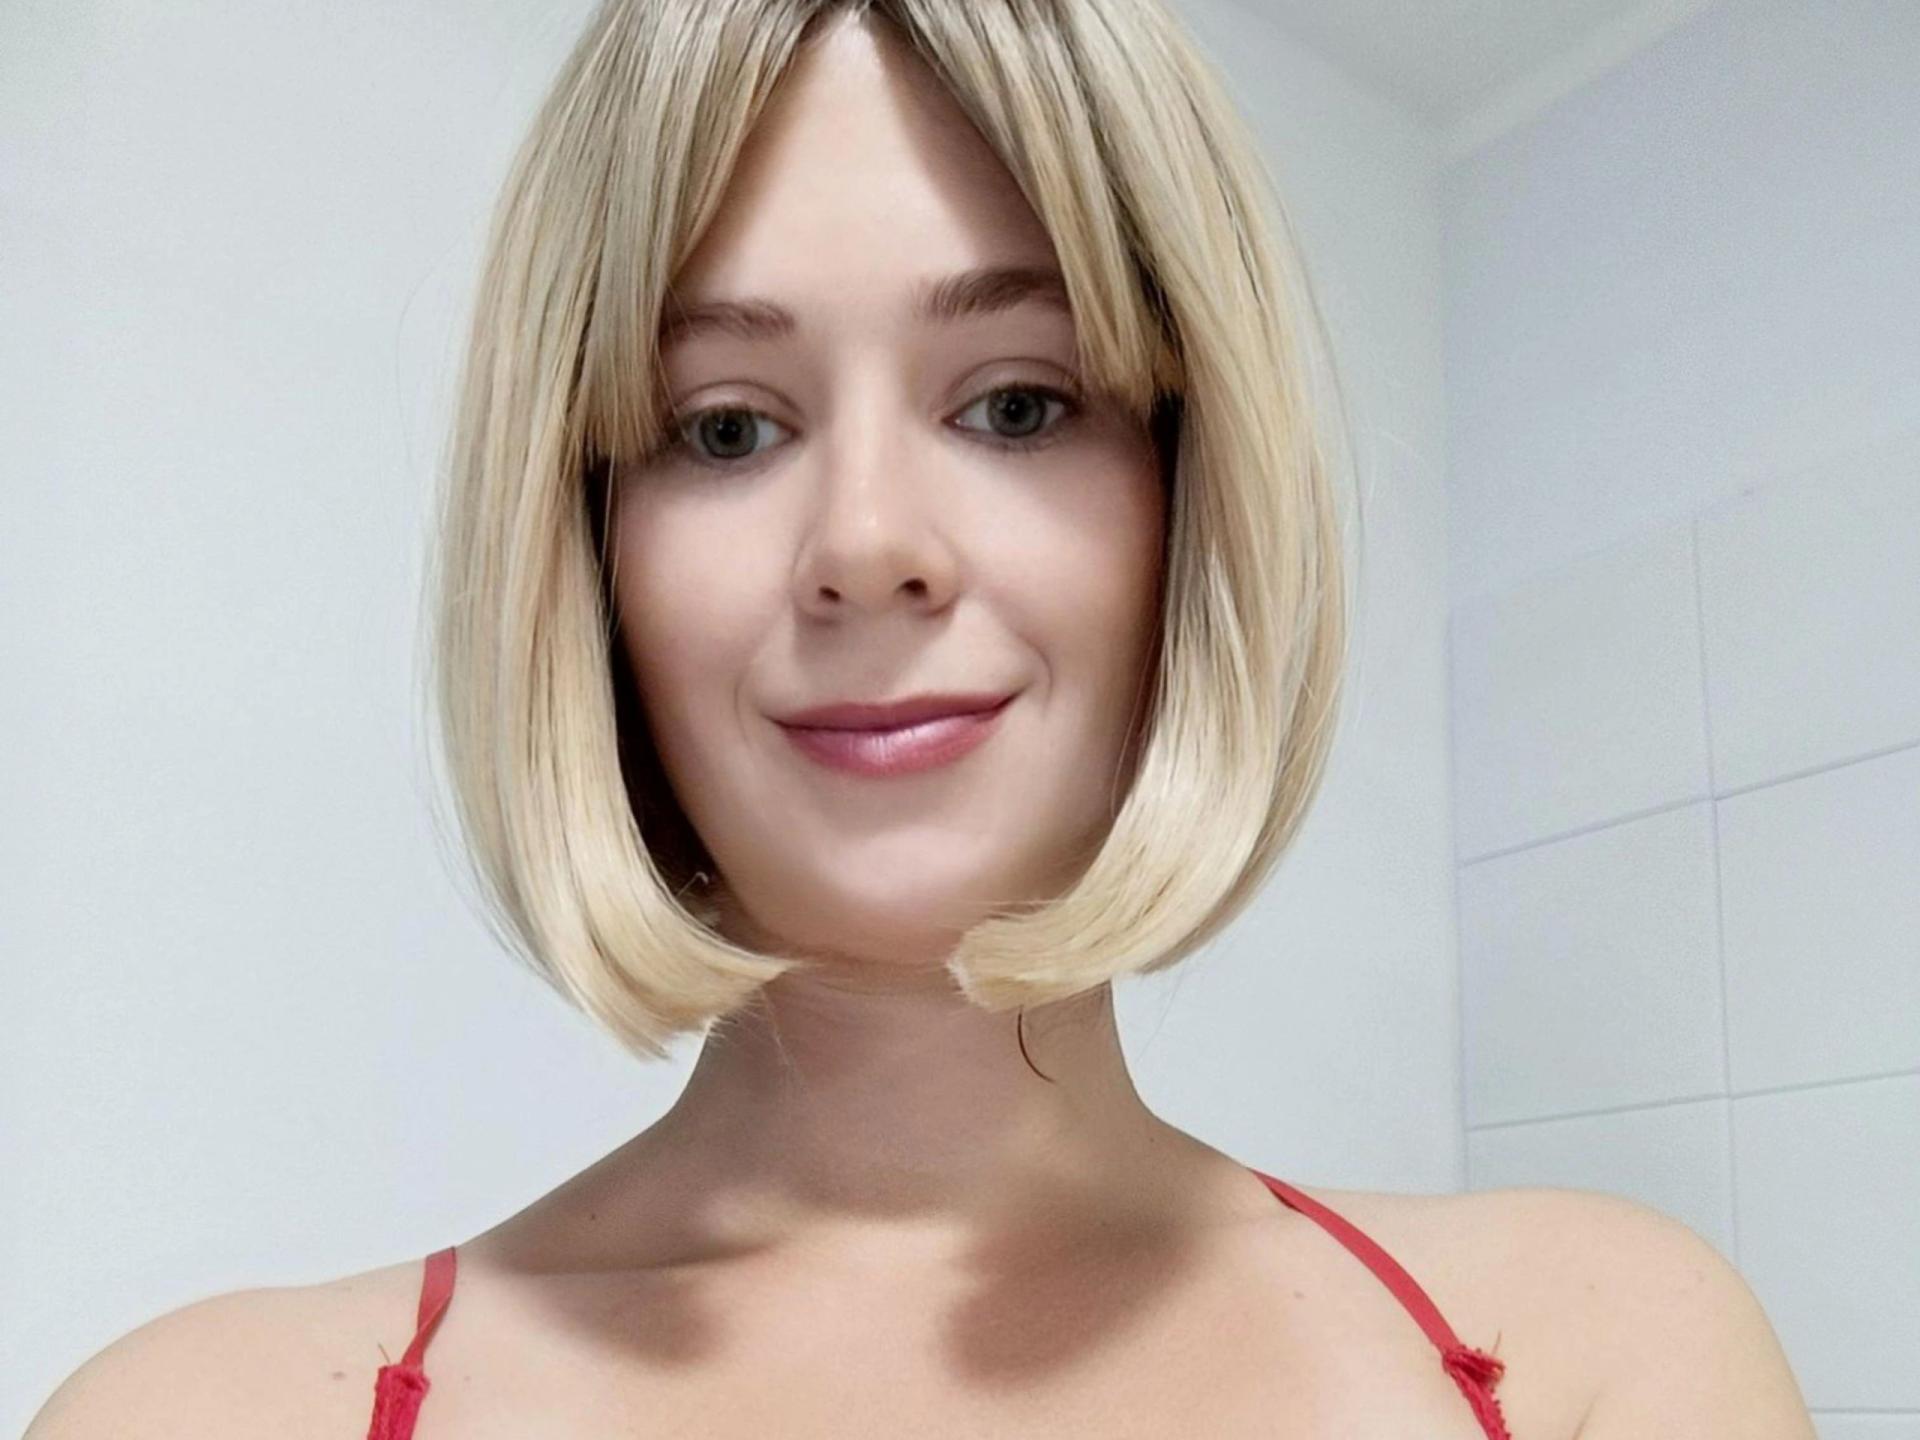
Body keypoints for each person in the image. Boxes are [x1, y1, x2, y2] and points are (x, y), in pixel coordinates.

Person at [28, 2, 1817, 1437]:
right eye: (727, 427)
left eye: (1017, 404)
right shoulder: (202, 1415)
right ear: (585, 549)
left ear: (1188, 500)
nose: (868, 544)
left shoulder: (1599, 1357)